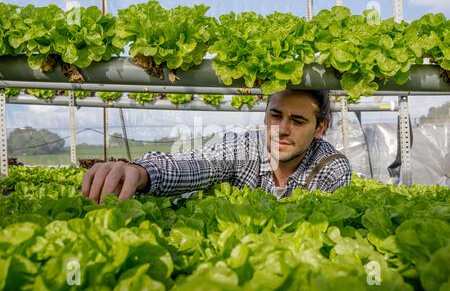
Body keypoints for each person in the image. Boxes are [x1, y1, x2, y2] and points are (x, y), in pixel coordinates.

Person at [82, 89, 352, 203]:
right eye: (275, 115)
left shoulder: (331, 167)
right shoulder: (244, 147)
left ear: (320, 128)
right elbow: (197, 164)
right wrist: (141, 173)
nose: (281, 129)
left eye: (298, 120)